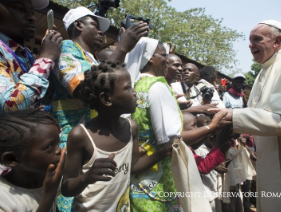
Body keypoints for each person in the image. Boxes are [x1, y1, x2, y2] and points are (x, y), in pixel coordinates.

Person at [209, 20, 281, 212]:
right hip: (269, 156)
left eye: (257, 40)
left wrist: (234, 117)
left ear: (277, 41)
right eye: (249, 40)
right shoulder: (264, 70)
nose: (250, 45)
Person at [128, 37, 231, 212]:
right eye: (163, 55)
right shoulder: (158, 86)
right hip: (158, 174)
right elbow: (171, 140)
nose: (167, 60)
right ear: (151, 57)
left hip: (141, 173)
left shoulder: (138, 84)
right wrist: (211, 127)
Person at [61, 61, 175, 211]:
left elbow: (133, 165)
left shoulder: (131, 127)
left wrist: (161, 153)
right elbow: (66, 188)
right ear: (107, 99)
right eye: (128, 88)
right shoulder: (80, 135)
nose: (134, 92)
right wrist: (87, 177)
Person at [51, 6, 150, 149]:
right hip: (70, 138)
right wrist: (122, 48)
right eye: (95, 25)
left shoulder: (92, 58)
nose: (100, 32)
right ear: (78, 25)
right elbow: (87, 89)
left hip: (91, 135)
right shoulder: (66, 48)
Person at [0, 0, 62, 113]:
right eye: (19, 8)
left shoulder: (27, 53)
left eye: (32, 12)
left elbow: (45, 99)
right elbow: (9, 107)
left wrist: (53, 59)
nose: (32, 18)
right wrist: (45, 59)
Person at [0, 108, 66, 211]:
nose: (59, 150)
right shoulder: (4, 199)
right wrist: (49, 194)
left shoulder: (47, 178)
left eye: (57, 142)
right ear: (12, 159)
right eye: (49, 146)